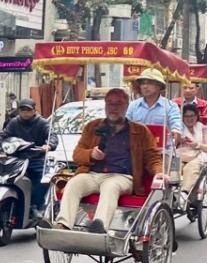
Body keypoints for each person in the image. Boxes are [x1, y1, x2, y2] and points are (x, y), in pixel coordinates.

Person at [55, 88, 163, 234]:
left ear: (127, 106)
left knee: (110, 186)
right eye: (110, 103)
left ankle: (99, 226)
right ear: (105, 105)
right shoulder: (93, 127)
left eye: (119, 103)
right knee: (74, 182)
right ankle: (63, 225)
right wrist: (91, 154)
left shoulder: (140, 131)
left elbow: (153, 157)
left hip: (122, 177)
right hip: (92, 175)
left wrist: (159, 173)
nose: (114, 107)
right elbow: (77, 154)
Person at [0, 97, 59, 221]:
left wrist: (48, 145)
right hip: (16, 159)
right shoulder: (14, 122)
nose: (25, 112)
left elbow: (52, 136)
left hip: (36, 159)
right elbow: (4, 135)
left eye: (28, 110)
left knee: (44, 179)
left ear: (34, 110)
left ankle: (35, 205)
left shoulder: (42, 123)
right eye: (22, 109)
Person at [127, 68, 182, 144]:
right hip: (138, 150)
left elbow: (176, 121)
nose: (145, 86)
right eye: (143, 83)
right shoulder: (133, 105)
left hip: (162, 151)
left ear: (158, 86)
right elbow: (125, 124)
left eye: (149, 83)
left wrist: (176, 130)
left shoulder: (170, 106)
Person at [177, 103, 207, 196]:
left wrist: (197, 145)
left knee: (191, 168)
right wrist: (178, 138)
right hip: (180, 155)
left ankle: (185, 193)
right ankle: (172, 193)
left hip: (197, 155)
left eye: (192, 116)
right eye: (186, 116)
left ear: (197, 116)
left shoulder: (203, 128)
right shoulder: (177, 128)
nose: (189, 119)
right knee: (173, 169)